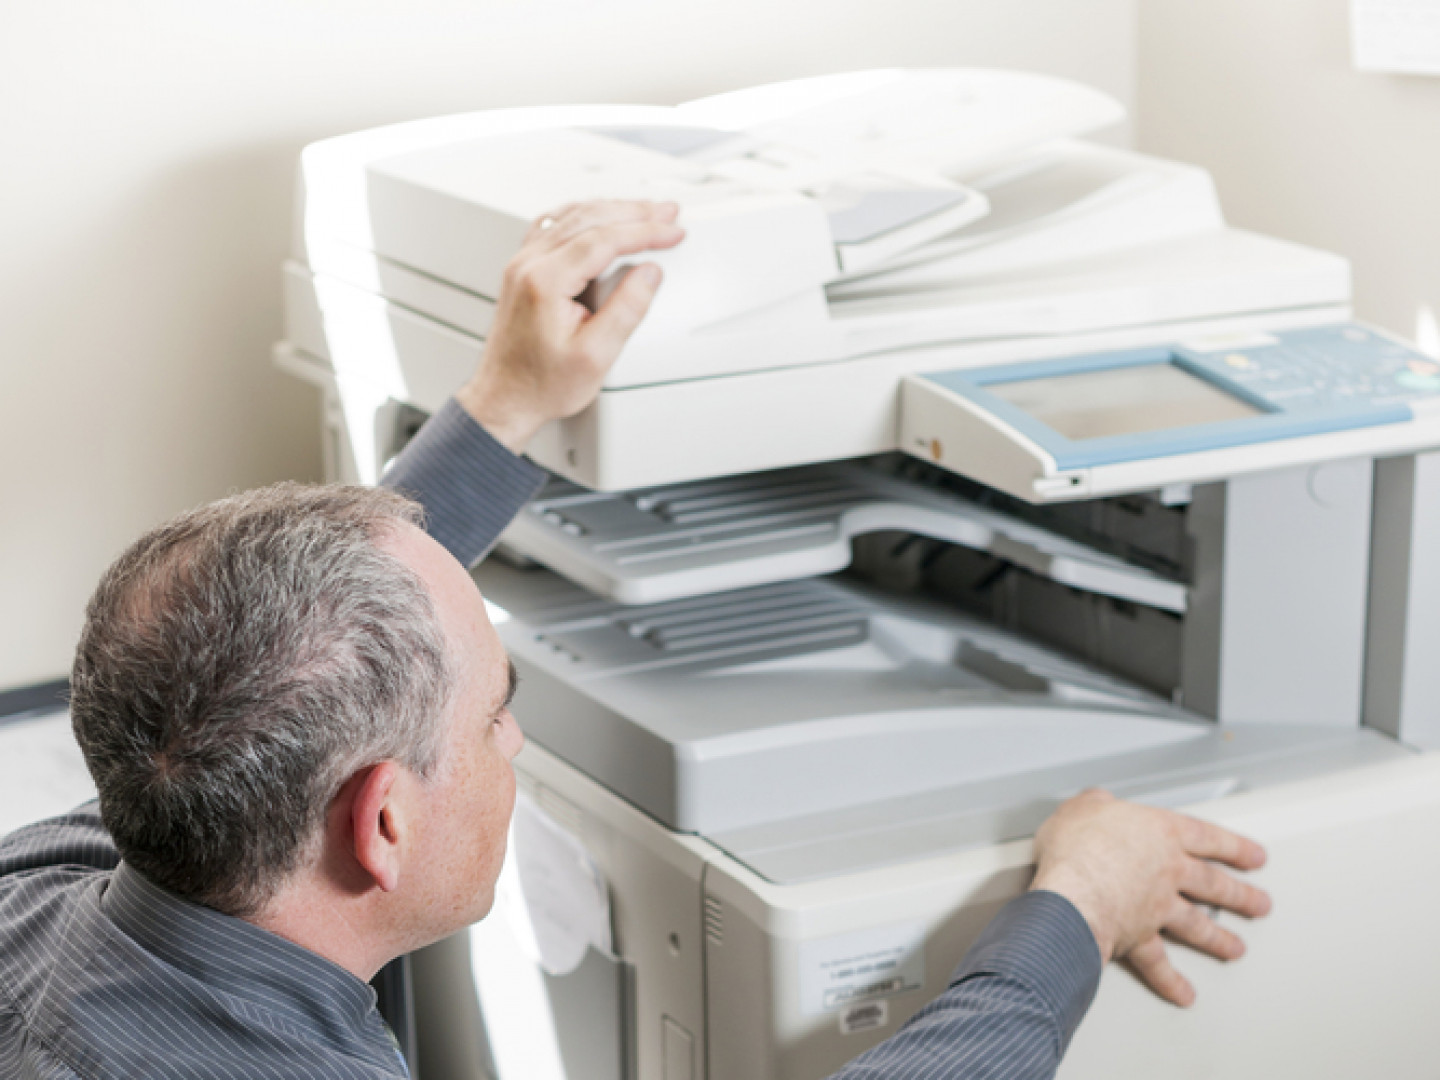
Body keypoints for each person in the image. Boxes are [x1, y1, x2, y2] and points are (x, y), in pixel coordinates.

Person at [0, 201, 1270, 1080]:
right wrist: (1077, 907)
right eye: (497, 715)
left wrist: (506, 406)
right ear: (379, 823)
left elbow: (268, 657)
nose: (516, 739)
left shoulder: (59, 886)